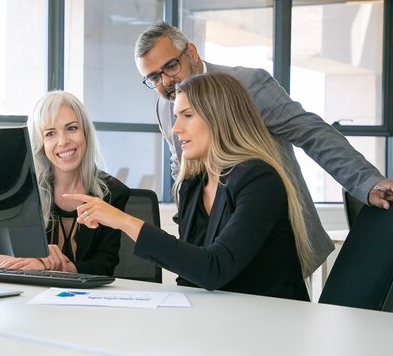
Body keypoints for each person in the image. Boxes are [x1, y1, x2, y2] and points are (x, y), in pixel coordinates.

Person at [133, 20, 393, 274]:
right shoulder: (165, 106)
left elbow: (311, 132)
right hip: (217, 247)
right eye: (154, 78)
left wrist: (368, 182)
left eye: (170, 66)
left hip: (277, 239)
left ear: (191, 52)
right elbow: (181, 167)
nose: (166, 81)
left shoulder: (247, 85)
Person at [68, 73, 311, 300]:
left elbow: (213, 268)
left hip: (274, 324)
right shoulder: (193, 185)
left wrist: (123, 220)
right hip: (222, 321)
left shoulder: (259, 180)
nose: (175, 129)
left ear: (220, 117)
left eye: (188, 115)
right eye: (176, 117)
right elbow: (190, 274)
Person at [0, 91, 129, 275]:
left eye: (71, 128)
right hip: (30, 296)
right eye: (50, 133)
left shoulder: (113, 192)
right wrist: (30, 259)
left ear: (85, 132)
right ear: (40, 142)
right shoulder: (21, 190)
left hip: (83, 299)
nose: (63, 141)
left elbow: (104, 265)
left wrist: (55, 267)